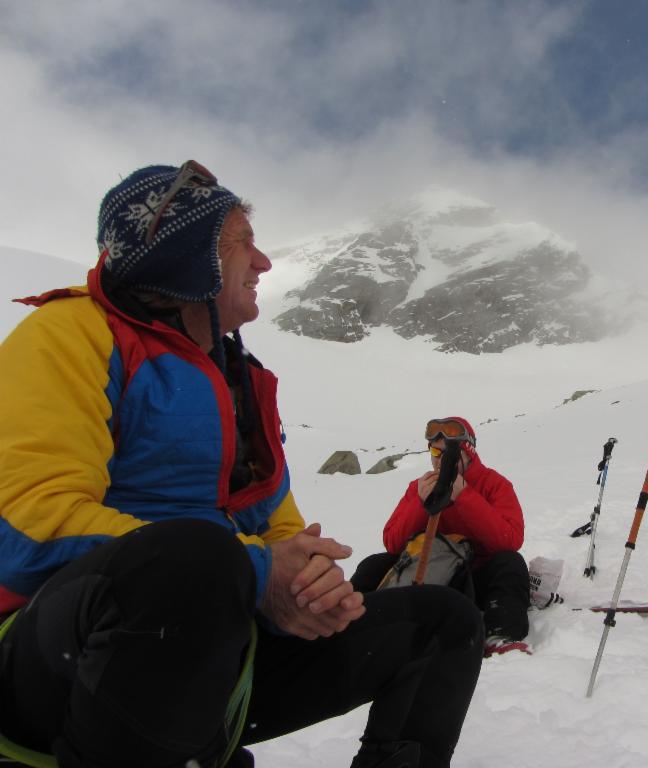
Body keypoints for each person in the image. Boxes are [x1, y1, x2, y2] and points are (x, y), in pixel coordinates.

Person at [0, 161, 482, 768]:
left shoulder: (241, 380)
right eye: (243, 244)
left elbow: (277, 527)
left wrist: (306, 587)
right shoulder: (69, 334)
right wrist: (254, 570)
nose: (264, 263)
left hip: (217, 653)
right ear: (184, 256)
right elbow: (29, 530)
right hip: (53, 666)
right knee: (195, 558)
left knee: (444, 623)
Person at [352, 418, 531, 656]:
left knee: (511, 563)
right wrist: (420, 503)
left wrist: (464, 496)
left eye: (448, 453)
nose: (439, 459)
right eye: (435, 451)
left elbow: (510, 539)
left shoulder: (494, 484)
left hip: (475, 578)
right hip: (430, 573)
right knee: (373, 565)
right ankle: (347, 624)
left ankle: (501, 634)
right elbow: (393, 542)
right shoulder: (419, 486)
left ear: (468, 453)